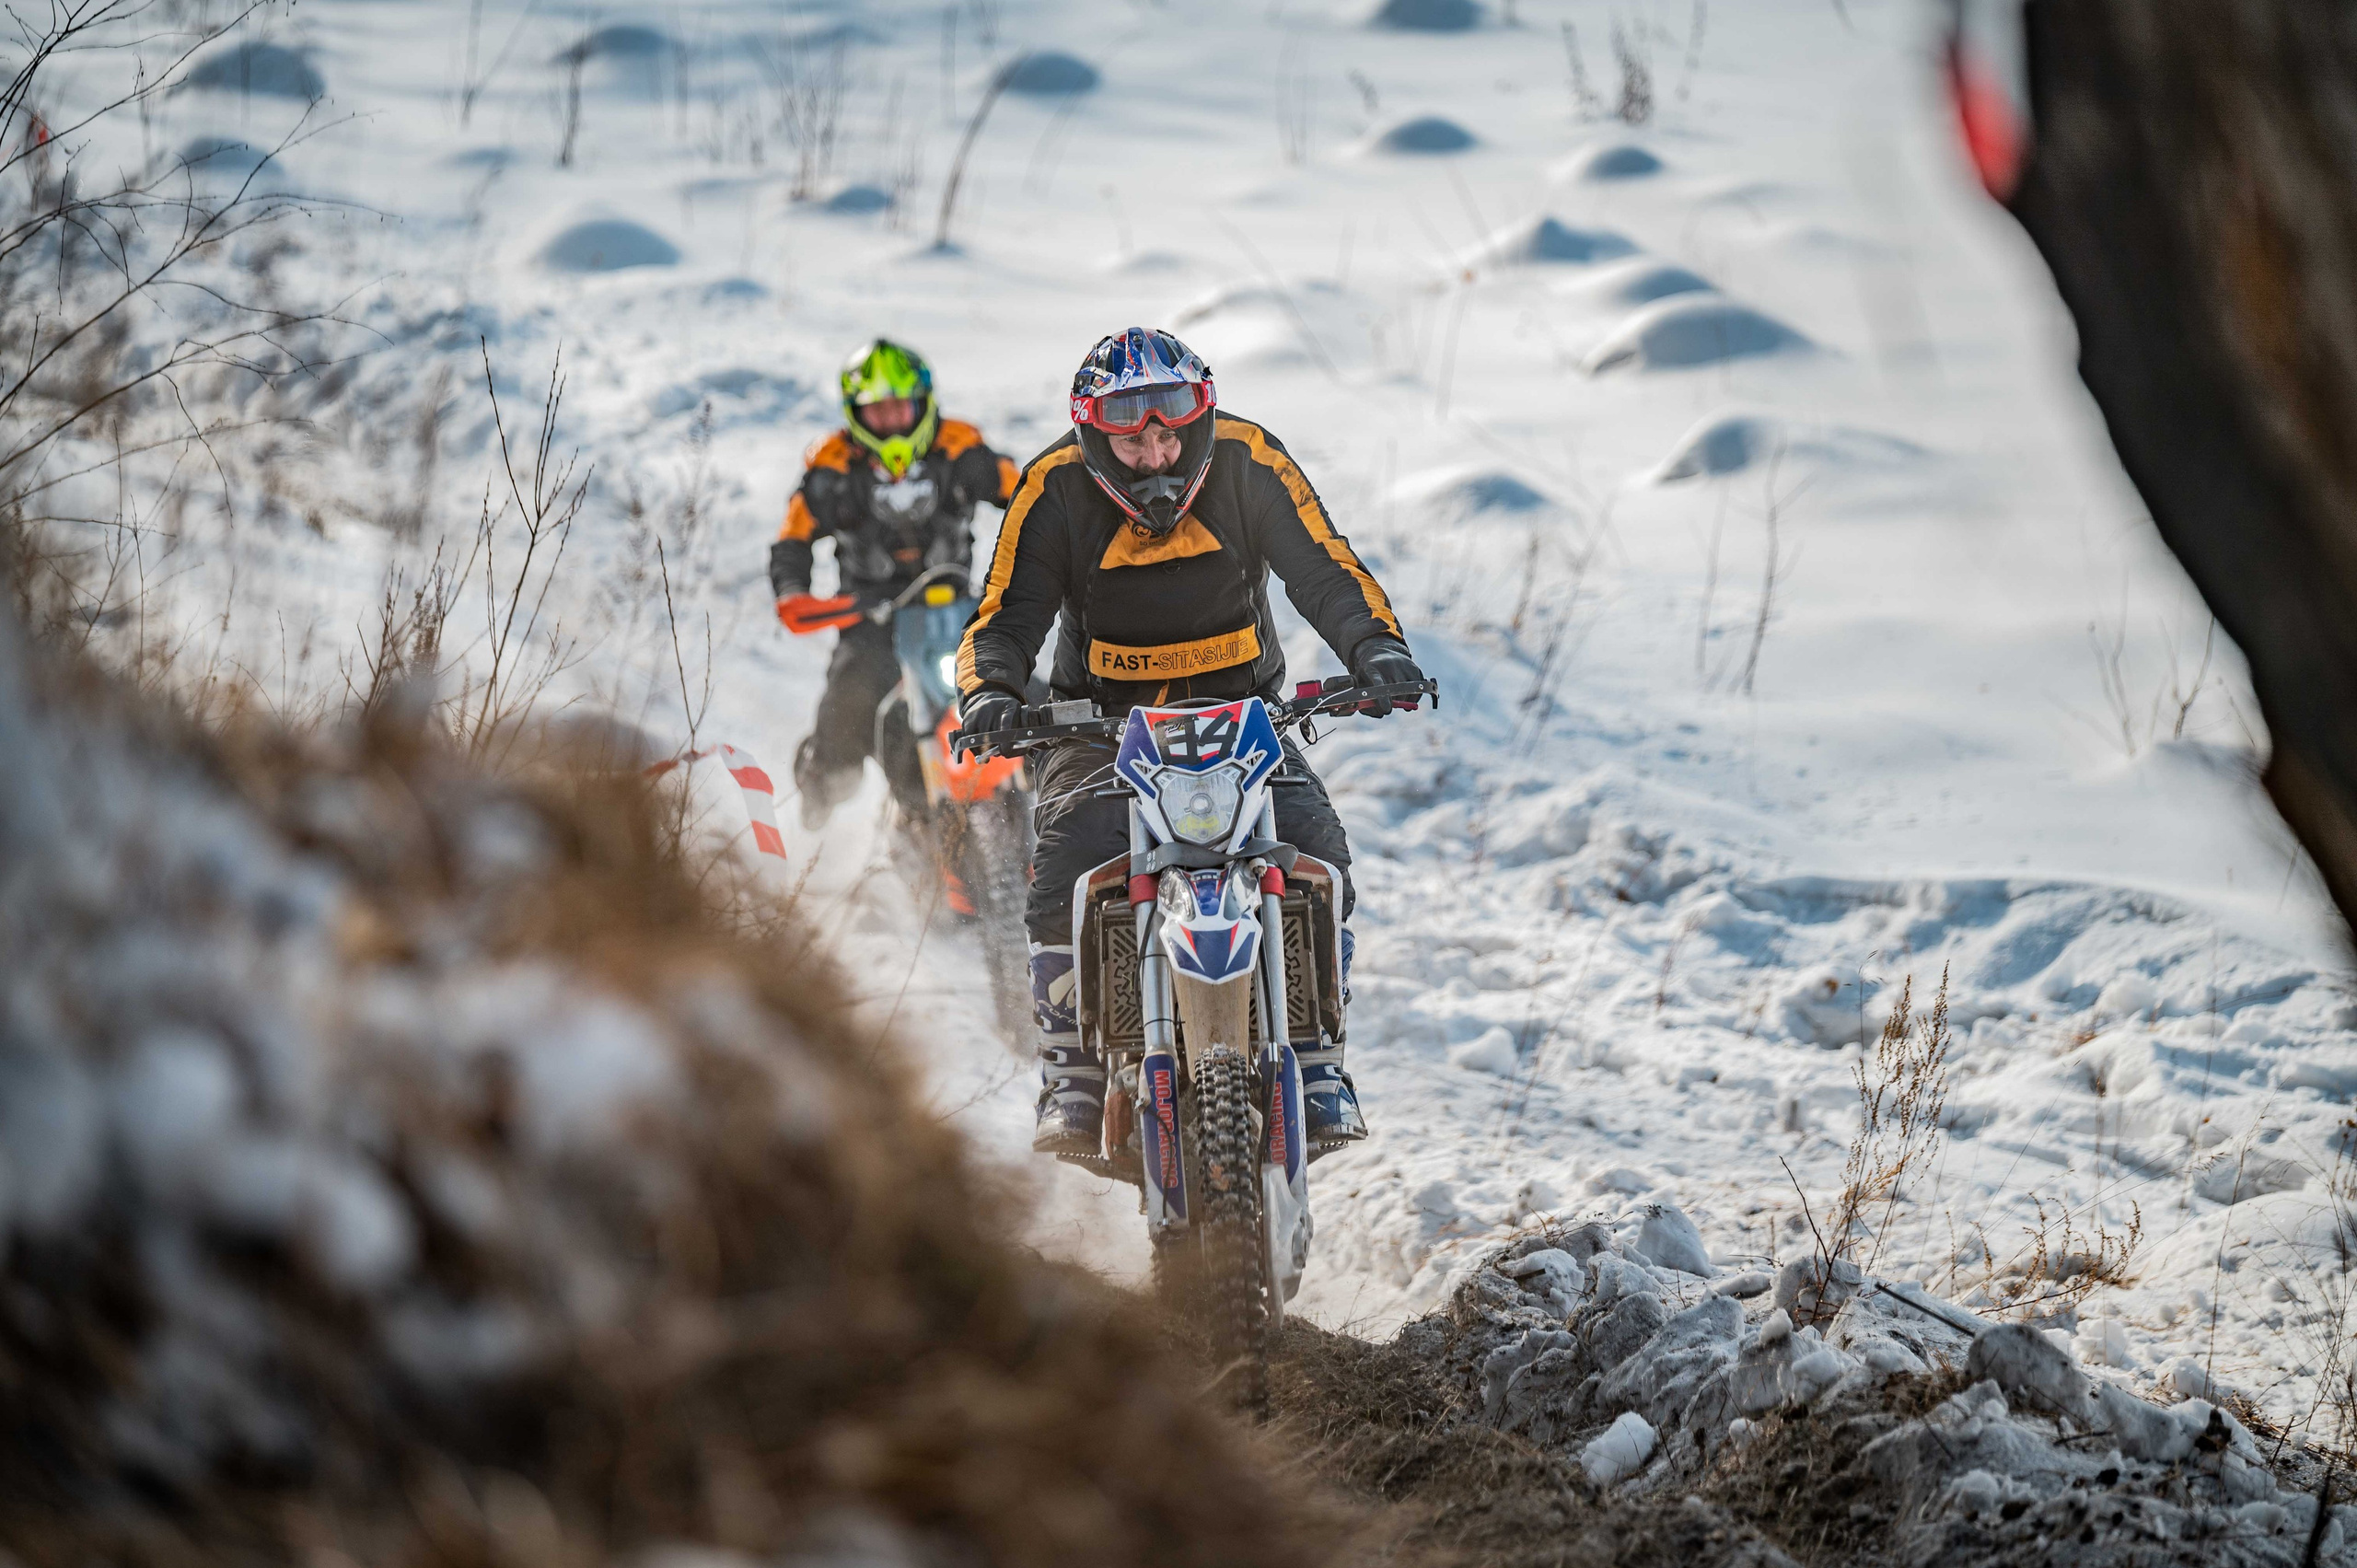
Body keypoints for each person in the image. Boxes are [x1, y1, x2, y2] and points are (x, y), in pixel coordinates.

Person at [955, 326, 1425, 1157]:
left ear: (1200, 416)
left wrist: (1376, 648)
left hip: (1242, 717)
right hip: (1100, 725)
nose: (1155, 455)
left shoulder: (1250, 461)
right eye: (1130, 438)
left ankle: (1319, 1061)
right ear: (1091, 432)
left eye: (1171, 431)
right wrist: (991, 693)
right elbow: (1004, 615)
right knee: (1067, 859)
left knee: (1314, 846)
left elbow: (1325, 568)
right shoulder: (1052, 487)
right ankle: (1072, 1075)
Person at [771, 339, 1020, 829]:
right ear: (856, 413)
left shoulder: (960, 448)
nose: (890, 420)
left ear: (922, 403)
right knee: (848, 704)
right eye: (877, 410)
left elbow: (1029, 497)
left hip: (959, 615)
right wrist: (792, 591)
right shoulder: (832, 467)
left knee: (1035, 692)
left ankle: (1059, 803)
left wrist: (1062, 549)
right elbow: (792, 539)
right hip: (873, 623)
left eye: (899, 406)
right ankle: (821, 777)